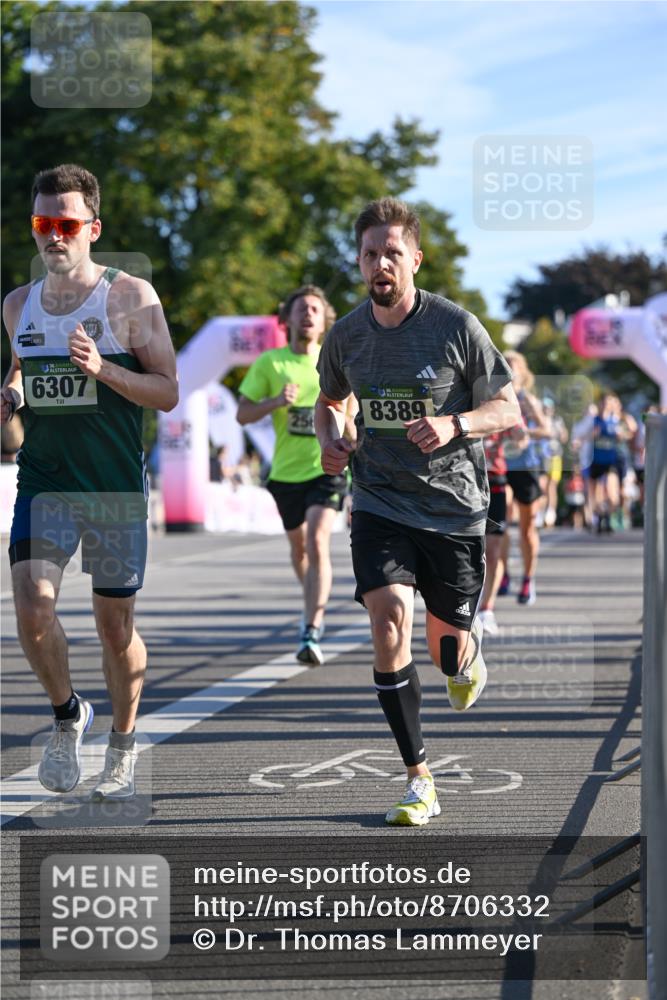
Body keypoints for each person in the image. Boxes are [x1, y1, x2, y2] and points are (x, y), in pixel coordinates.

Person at [315, 197, 520, 826]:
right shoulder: (346, 334)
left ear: (415, 260)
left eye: (393, 253)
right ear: (359, 261)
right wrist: (331, 437)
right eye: (371, 254)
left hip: (453, 509)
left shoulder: (456, 326)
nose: (381, 264)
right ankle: (418, 779)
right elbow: (331, 400)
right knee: (387, 621)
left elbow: (508, 409)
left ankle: (466, 650)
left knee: (447, 652)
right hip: (377, 498)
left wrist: (454, 421)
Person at [1, 164, 178, 800]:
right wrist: (12, 393)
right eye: (43, 223)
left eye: (66, 224)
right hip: (45, 484)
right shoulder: (17, 305)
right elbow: (23, 367)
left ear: (92, 229)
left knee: (114, 628)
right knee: (31, 608)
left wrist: (104, 368)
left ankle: (124, 744)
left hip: (112, 489)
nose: (54, 235)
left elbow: (167, 392)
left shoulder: (131, 298)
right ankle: (67, 713)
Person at [237, 285, 351, 666]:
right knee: (299, 548)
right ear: (286, 319)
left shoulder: (334, 361)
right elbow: (243, 414)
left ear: (325, 320)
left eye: (315, 309)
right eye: (301, 308)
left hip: (326, 467)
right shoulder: (270, 364)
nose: (308, 314)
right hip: (285, 474)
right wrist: (275, 402)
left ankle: (311, 627)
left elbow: (350, 413)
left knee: (318, 541)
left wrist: (350, 433)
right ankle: (314, 596)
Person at [497, 351, 551, 605]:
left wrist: (522, 430)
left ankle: (528, 578)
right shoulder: (494, 398)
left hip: (526, 467)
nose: (509, 369)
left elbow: (547, 429)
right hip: (500, 466)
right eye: (504, 365)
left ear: (522, 372)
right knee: (503, 519)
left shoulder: (526, 400)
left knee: (527, 529)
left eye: (513, 365)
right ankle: (503, 573)